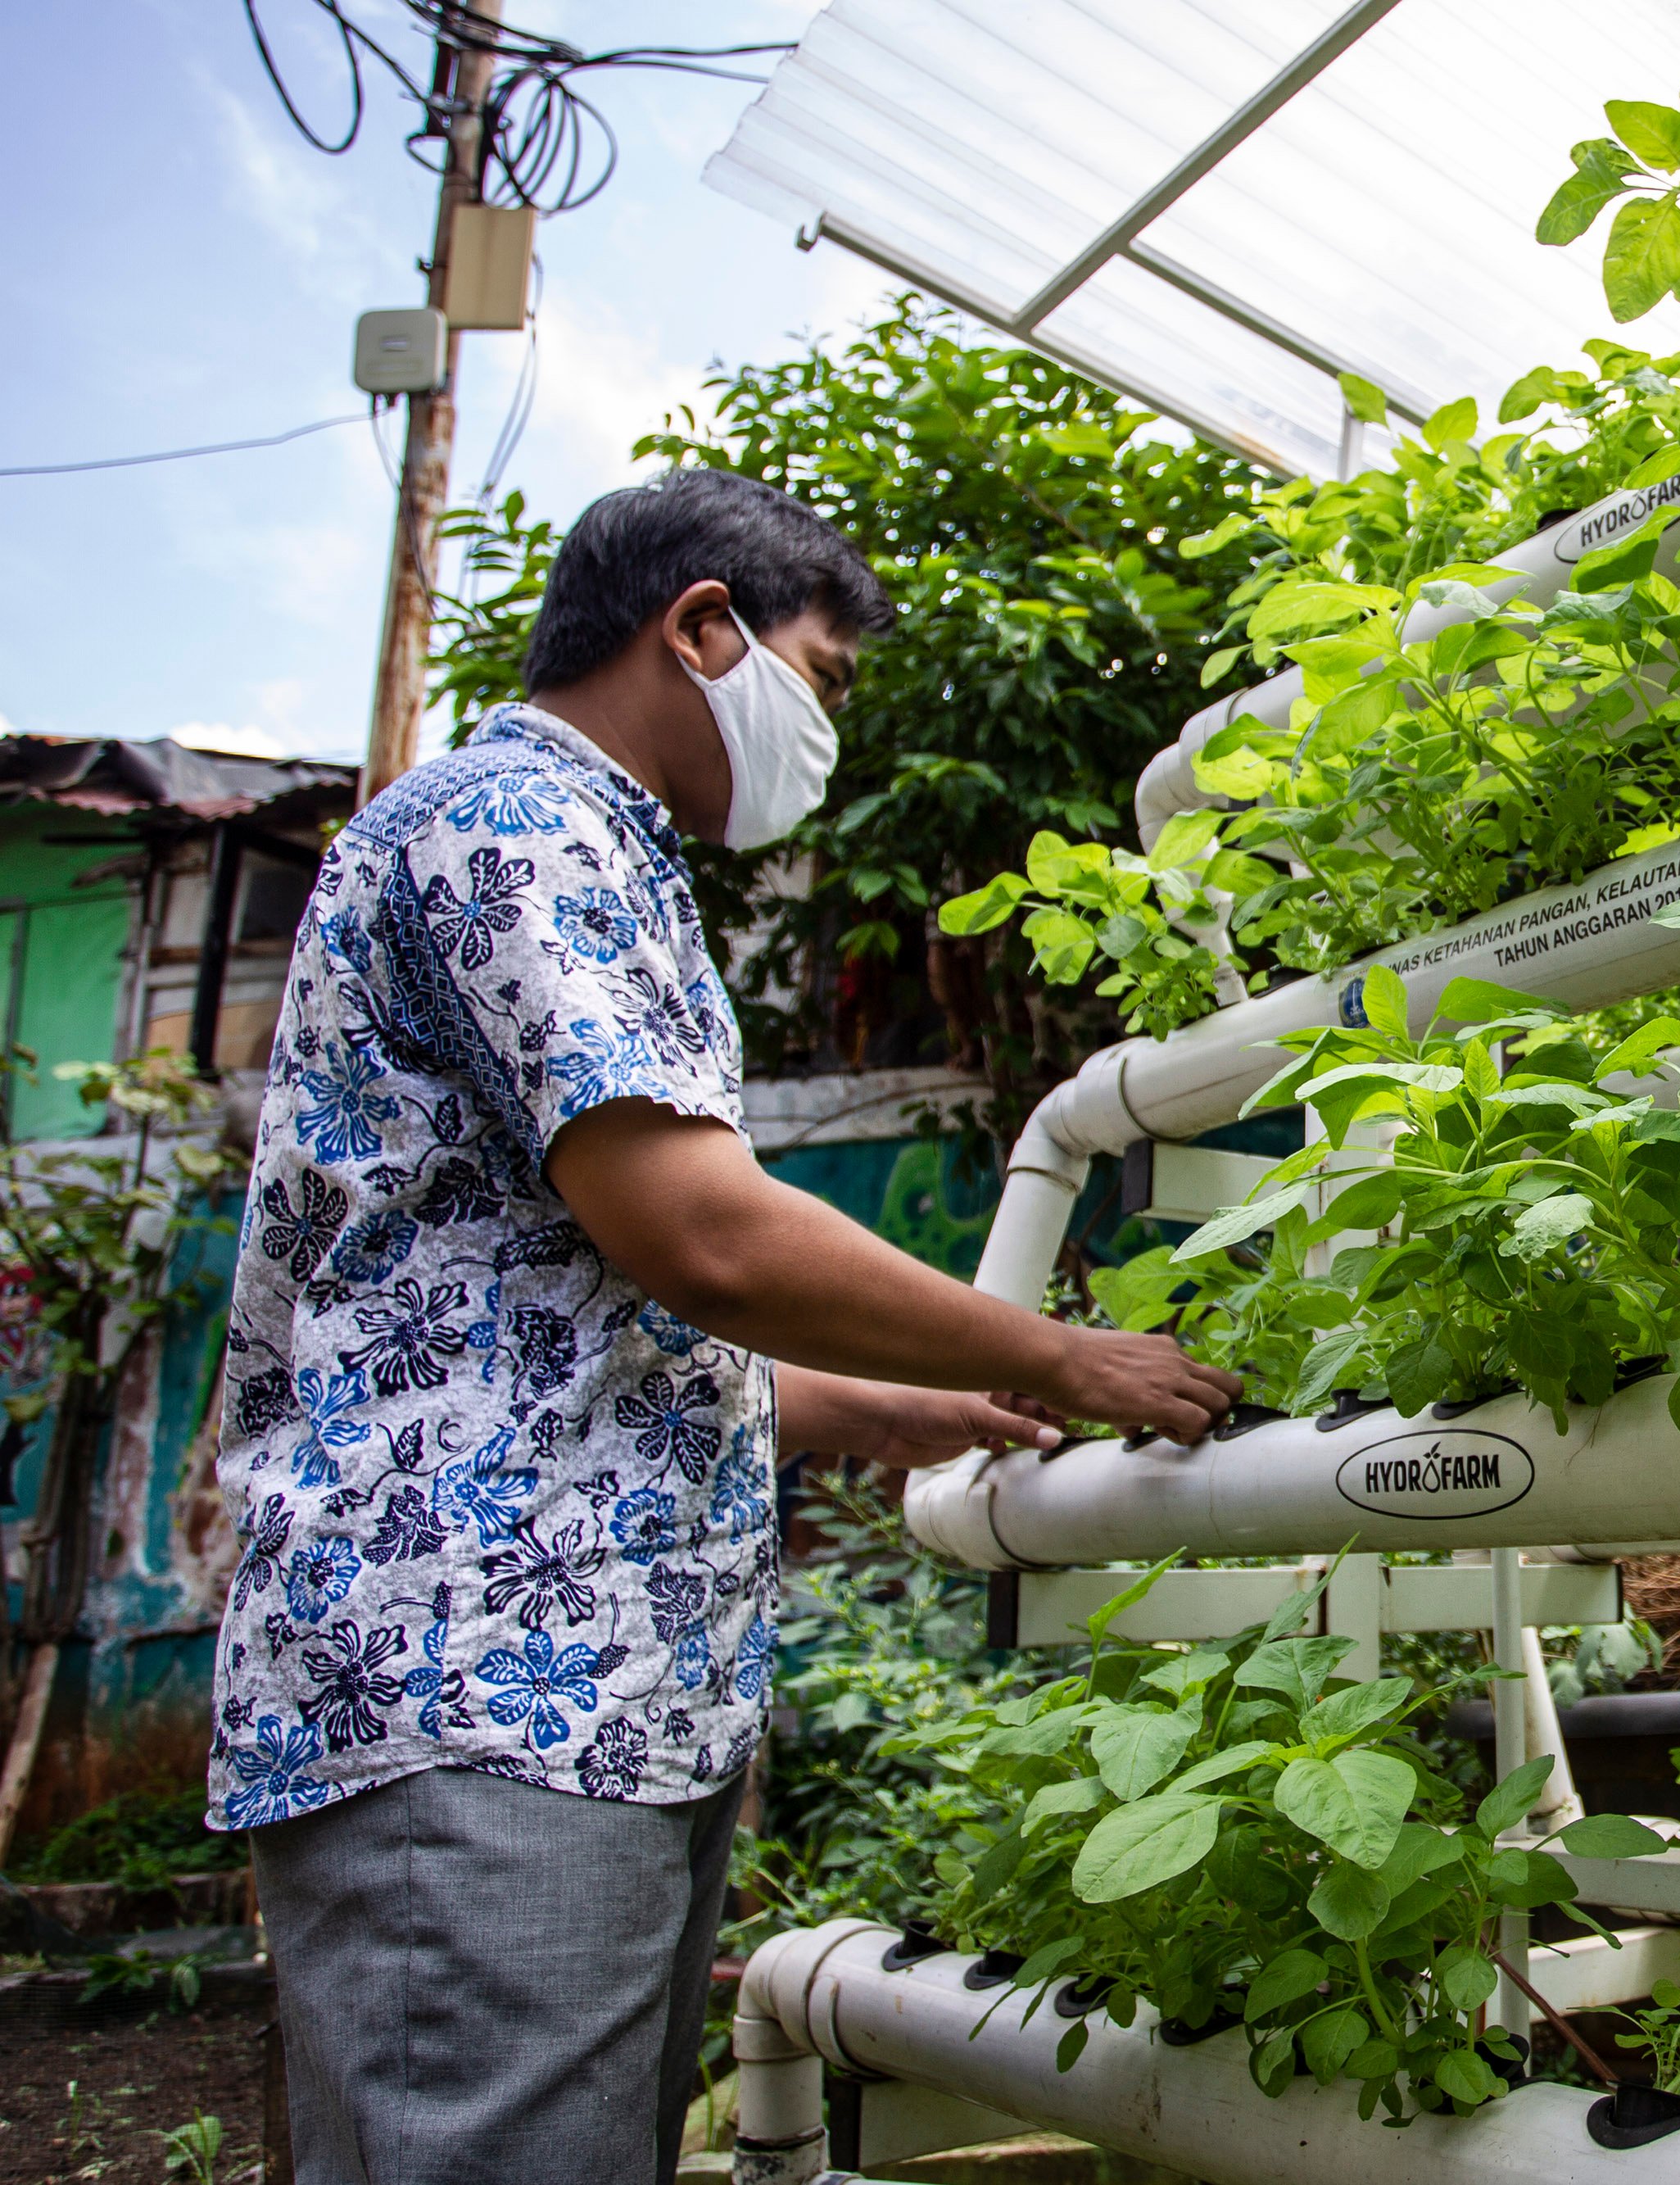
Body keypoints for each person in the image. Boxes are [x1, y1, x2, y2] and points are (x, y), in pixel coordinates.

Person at [207, 468, 1238, 2185]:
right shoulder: (513, 826)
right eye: (822, 675)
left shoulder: (587, 845)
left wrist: (861, 1403)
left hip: (576, 1689)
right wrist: (1049, 1350)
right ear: (700, 626)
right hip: (484, 1687)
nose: (823, 731)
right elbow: (699, 1231)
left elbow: (531, 1318)